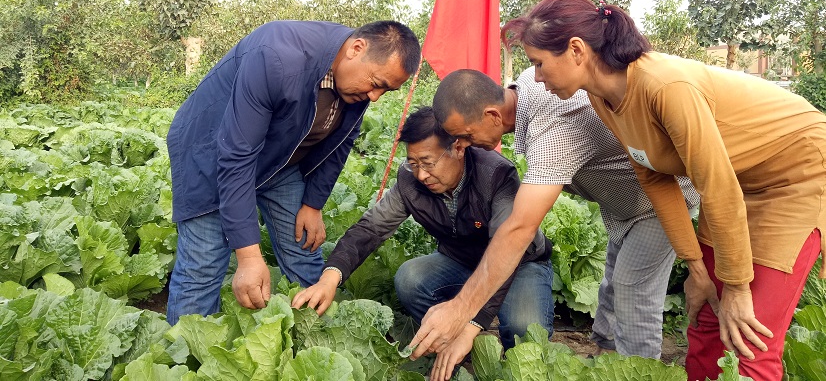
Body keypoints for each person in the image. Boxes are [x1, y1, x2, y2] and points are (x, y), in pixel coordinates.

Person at [474, 0, 822, 380]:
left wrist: (738, 288)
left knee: (748, 334)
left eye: (539, 63)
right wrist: (697, 269)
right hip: (734, 184)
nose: (535, 78)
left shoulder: (665, 86)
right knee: (707, 318)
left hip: (795, 174)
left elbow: (718, 189)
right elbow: (654, 178)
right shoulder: (604, 98)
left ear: (576, 50)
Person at [426, 67, 699, 360]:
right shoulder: (528, 84)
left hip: (662, 199)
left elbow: (519, 229)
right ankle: (606, 361)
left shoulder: (554, 129)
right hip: (625, 202)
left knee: (633, 292)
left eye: (466, 135)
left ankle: (640, 371)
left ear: (493, 115)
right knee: (613, 285)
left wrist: (461, 309)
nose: (464, 145)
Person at [165, 19, 420, 326]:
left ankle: (312, 335)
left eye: (386, 90)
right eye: (377, 83)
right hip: (210, 154)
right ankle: (186, 348)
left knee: (304, 248)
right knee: (203, 266)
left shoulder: (357, 83)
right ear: (356, 48)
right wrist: (248, 256)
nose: (375, 96)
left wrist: (313, 204)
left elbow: (341, 141)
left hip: (281, 160)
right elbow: (237, 157)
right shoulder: (277, 56)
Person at [292, 106, 554, 381]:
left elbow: (506, 253)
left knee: (524, 329)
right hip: (461, 260)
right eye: (413, 163)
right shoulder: (410, 181)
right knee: (410, 279)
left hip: (519, 264)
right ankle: (447, 340)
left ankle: (468, 336)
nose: (421, 175)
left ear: (458, 148)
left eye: (428, 163)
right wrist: (330, 277)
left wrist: (471, 324)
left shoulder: (496, 175)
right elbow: (371, 228)